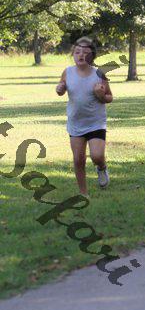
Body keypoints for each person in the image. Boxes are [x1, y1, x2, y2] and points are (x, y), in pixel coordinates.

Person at [56, 37, 113, 197]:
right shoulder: (67, 72)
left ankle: (101, 167)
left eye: (86, 52)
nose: (81, 55)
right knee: (78, 160)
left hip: (96, 122)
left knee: (97, 156)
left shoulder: (99, 74)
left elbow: (109, 97)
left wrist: (101, 95)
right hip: (76, 123)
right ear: (73, 54)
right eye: (77, 52)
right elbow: (61, 89)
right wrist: (59, 89)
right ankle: (83, 193)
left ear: (92, 56)